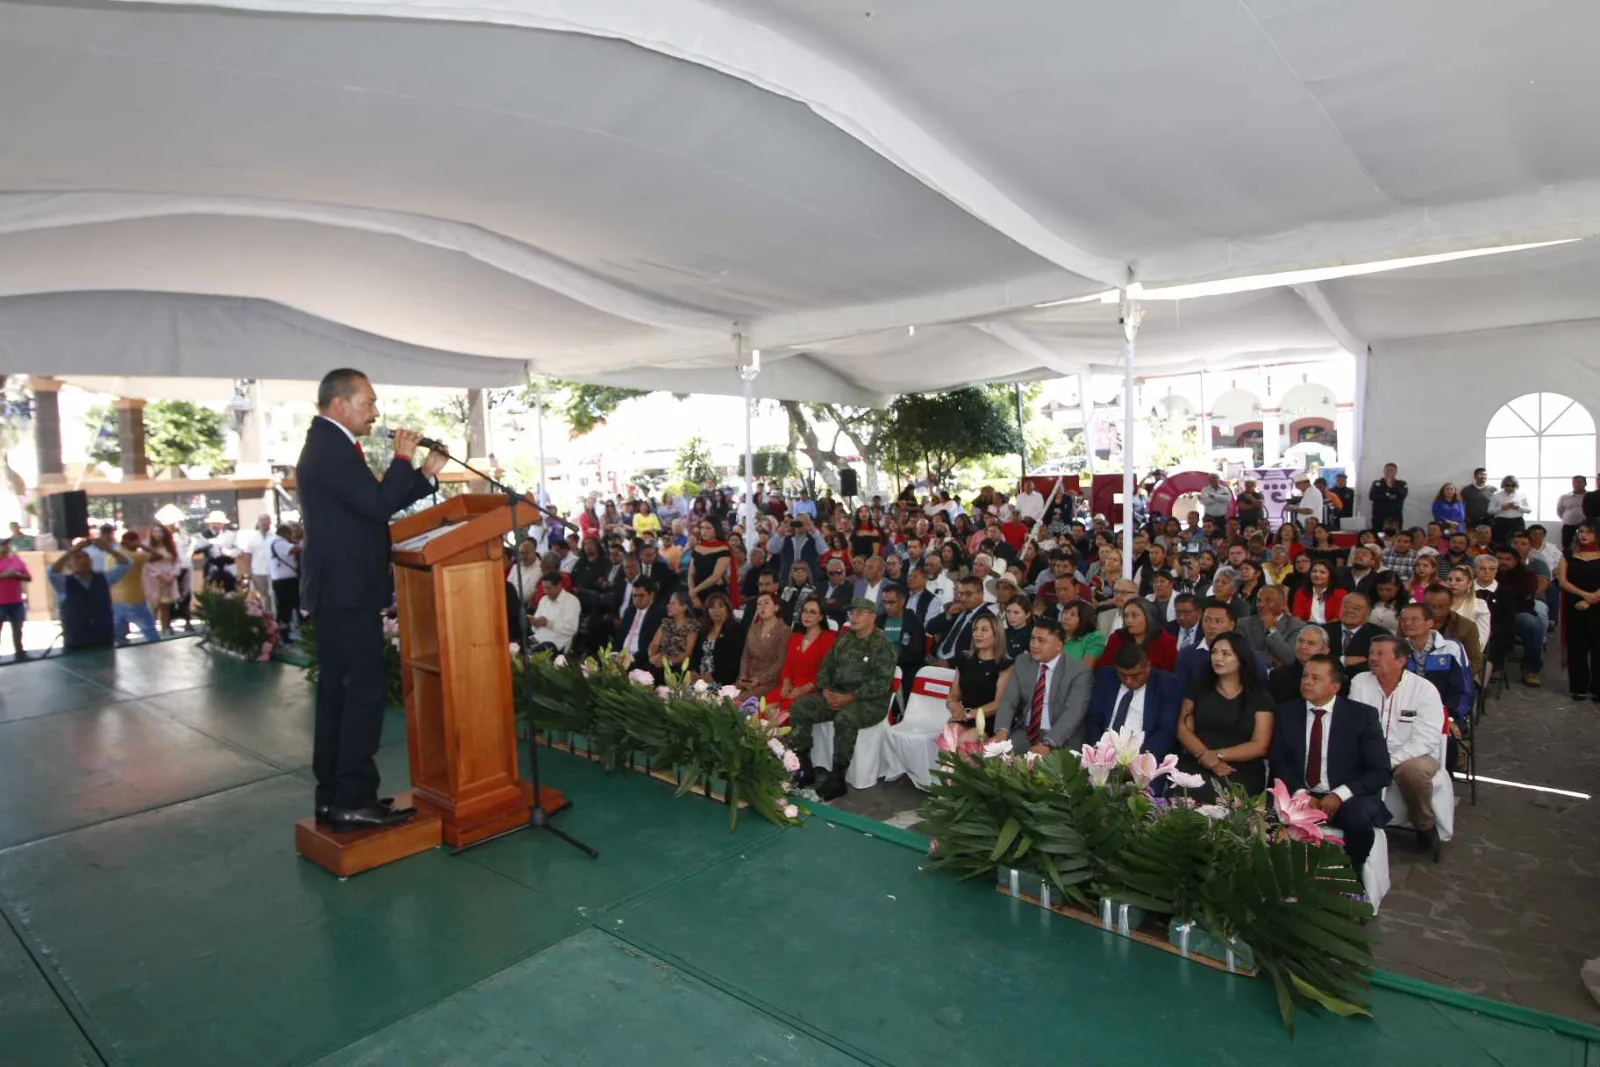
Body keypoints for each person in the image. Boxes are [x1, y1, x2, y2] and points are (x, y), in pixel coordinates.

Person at [297, 369, 445, 830]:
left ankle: (334, 795)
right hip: (346, 591)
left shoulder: (328, 445)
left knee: (339, 694)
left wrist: (420, 474)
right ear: (339, 403)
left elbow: (366, 504)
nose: (376, 413)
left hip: (340, 591)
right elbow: (377, 506)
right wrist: (403, 459)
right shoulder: (331, 447)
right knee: (360, 693)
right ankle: (354, 798)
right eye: (369, 403)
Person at [1270, 655, 1392, 872]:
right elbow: (1279, 762)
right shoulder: (1287, 712)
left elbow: (1381, 771)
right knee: (1264, 816)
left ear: (1335, 686)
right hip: (1300, 792)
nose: (1306, 682)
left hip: (1347, 795)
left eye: (1315, 678)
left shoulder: (1361, 716)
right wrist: (1300, 794)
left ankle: (1353, 876)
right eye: (1305, 675)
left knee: (1358, 820)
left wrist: (1339, 795)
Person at [787, 598, 898, 800]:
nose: (853, 617)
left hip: (869, 702)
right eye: (851, 613)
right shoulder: (844, 638)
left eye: (859, 613)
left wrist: (850, 697)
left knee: (845, 719)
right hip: (836, 695)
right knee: (800, 707)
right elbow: (826, 667)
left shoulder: (882, 645)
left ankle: (838, 777)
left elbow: (881, 684)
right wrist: (826, 689)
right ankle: (804, 766)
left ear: (872, 617)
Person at [1350, 635, 1447, 855]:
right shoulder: (1360, 682)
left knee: (1412, 772)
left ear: (1401, 660)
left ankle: (1425, 824)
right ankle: (1360, 823)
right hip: (1370, 751)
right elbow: (1355, 726)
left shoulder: (1424, 689)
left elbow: (1426, 738)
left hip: (1415, 754)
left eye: (1380, 654)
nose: (1373, 658)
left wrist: (1389, 760)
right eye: (1371, 653)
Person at [1175, 632, 1275, 801]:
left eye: (1225, 654)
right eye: (1214, 652)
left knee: (1224, 796)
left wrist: (1217, 756)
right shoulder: (1199, 688)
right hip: (1198, 759)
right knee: (1187, 792)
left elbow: (1260, 745)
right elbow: (1183, 729)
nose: (1217, 658)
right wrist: (1205, 756)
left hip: (1240, 767)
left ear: (1241, 659)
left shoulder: (1260, 697)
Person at [992, 616, 1093, 756]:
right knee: (996, 756)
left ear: (1058, 645)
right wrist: (1002, 732)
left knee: (1041, 768)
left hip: (1060, 737)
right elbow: (1009, 699)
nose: (1034, 645)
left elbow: (1073, 713)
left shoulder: (1078, 671)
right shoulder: (1023, 662)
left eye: (1041, 641)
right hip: (1026, 732)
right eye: (1032, 638)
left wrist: (1048, 742)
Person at [1087, 642, 1183, 759]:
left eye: (1135, 676)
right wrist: (1099, 752)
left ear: (1148, 666)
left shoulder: (1167, 684)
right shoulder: (1105, 677)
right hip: (1104, 755)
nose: (1128, 681)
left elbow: (1165, 732)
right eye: (1122, 675)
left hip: (1143, 757)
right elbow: (1094, 721)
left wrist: (1139, 761)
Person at [48, 541, 129, 652]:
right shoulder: (63, 583)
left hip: (103, 639)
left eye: (86, 557)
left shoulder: (103, 578)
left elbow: (125, 565)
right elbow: (52, 572)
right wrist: (71, 552)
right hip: (76, 641)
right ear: (69, 564)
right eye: (77, 558)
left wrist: (110, 550)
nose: (83, 561)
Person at [767, 596, 835, 722]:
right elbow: (787, 665)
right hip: (789, 687)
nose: (807, 615)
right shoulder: (795, 637)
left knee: (779, 715)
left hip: (811, 691)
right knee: (762, 707)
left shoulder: (827, 638)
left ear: (820, 617)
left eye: (812, 612)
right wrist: (786, 683)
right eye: (805, 611)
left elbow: (828, 671)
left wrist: (805, 688)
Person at [945, 612, 1010, 736]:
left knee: (965, 741)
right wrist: (954, 706)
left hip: (988, 721)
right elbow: (953, 695)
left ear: (997, 635)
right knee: (948, 735)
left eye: (984, 630)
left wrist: (969, 714)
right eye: (975, 629)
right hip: (965, 717)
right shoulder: (964, 659)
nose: (978, 634)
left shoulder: (1004, 664)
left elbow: (998, 704)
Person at [1487, 546, 1545, 686]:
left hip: (1517, 613)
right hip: (1489, 613)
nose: (1503, 562)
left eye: (1508, 559)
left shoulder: (1527, 575)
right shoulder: (1487, 571)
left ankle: (1530, 669)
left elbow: (1522, 593)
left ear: (1516, 561)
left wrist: (1498, 592)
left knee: (1532, 624)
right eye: (1499, 558)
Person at [1556, 521, 1600, 700]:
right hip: (1574, 605)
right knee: (1577, 647)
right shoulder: (1568, 554)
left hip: (1598, 604)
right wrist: (1584, 595)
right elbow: (1563, 581)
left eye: (1588, 532)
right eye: (1581, 531)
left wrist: (1592, 598)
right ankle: (1579, 687)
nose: (1584, 535)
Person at [1096, 597, 1178, 672]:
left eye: (1134, 615)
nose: (1128, 620)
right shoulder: (1116, 638)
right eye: (1126, 616)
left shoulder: (1167, 642)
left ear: (1148, 617)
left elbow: (1167, 677)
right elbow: (1103, 670)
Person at [735, 590, 789, 702]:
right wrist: (743, 676)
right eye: (759, 604)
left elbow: (781, 662)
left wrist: (759, 679)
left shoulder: (784, 630)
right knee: (723, 697)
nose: (762, 607)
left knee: (738, 701)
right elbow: (746, 656)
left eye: (766, 603)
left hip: (768, 682)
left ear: (776, 608)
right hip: (747, 679)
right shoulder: (753, 628)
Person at [1235, 585, 1305, 669]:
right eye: (1259, 600)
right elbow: (1239, 655)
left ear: (1282, 604)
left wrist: (1272, 629)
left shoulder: (1297, 626)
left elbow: (1289, 658)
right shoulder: (1243, 624)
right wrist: (1271, 661)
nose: (1261, 604)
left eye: (1268, 600)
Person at [110, 531, 159, 645]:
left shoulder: (111, 555)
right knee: (149, 629)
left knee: (118, 633)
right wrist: (141, 546)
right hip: (133, 598)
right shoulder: (136, 556)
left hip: (115, 599)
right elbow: (158, 556)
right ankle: (156, 649)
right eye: (137, 542)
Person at [689, 591, 745, 690]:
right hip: (699, 680)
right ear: (707, 610)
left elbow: (734, 661)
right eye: (712, 607)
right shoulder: (703, 631)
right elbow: (695, 655)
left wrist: (714, 677)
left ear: (727, 609)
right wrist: (693, 670)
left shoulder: (735, 630)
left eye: (720, 606)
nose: (716, 610)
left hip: (721, 682)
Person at [927, 575, 986, 665]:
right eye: (960, 594)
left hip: (959, 667)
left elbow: (978, 650)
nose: (963, 598)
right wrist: (948, 614)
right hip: (935, 659)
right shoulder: (956, 608)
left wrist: (949, 663)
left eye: (968, 594)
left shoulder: (986, 616)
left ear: (981, 594)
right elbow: (930, 628)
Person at [878, 583, 927, 683]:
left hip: (903, 667)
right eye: (884, 602)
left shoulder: (913, 622)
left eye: (891, 602)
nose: (887, 606)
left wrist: (890, 660)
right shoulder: (879, 620)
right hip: (878, 664)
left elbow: (915, 653)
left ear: (902, 601)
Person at [614, 576, 665, 671]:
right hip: (622, 655)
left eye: (641, 596)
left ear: (651, 595)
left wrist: (630, 659)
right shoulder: (629, 611)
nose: (637, 599)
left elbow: (651, 646)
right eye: (634, 596)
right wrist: (615, 653)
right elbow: (620, 636)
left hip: (639, 659)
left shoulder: (658, 615)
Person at [528, 571, 581, 653]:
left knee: (530, 654)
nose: (545, 591)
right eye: (543, 588)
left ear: (559, 585)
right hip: (538, 638)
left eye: (549, 588)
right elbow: (534, 629)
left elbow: (571, 629)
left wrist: (547, 623)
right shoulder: (544, 599)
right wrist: (535, 623)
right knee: (515, 647)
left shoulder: (572, 601)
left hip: (555, 643)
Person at [687, 518, 733, 612]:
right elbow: (691, 573)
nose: (704, 531)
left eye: (708, 528)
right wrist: (693, 593)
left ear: (716, 530)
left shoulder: (723, 549)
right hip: (695, 592)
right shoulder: (698, 547)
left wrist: (694, 591)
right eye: (702, 528)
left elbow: (715, 576)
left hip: (714, 593)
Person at [267, 522, 302, 639]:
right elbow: (296, 550)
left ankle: (284, 634)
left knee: (286, 608)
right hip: (285, 582)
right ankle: (283, 635)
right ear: (285, 533)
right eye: (291, 533)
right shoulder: (280, 543)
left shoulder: (274, 541)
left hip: (283, 580)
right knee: (287, 608)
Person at [0, 538, 31, 659]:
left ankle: (20, 651)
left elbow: (28, 577)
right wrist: (3, 575)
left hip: (16, 601)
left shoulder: (16, 561)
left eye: (6, 545)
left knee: (18, 628)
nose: (5, 547)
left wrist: (17, 575)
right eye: (2, 545)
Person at [1488, 475, 1530, 546]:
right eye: (1507, 485)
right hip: (1501, 522)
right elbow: (1489, 511)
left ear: (1516, 485)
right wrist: (1502, 508)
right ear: (1503, 485)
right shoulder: (1496, 495)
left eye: (1513, 485)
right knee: (1500, 543)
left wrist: (1519, 508)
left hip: (1517, 522)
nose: (1510, 487)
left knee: (1518, 543)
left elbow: (1529, 510)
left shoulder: (1521, 495)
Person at [1369, 464, 1409, 531]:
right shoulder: (1377, 483)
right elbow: (1372, 496)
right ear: (1384, 471)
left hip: (1395, 516)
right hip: (1379, 517)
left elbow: (1403, 494)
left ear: (1396, 472)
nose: (1389, 472)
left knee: (1395, 536)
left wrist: (1391, 486)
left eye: (1392, 470)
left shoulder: (1401, 483)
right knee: (1378, 535)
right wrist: (1387, 496)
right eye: (1387, 470)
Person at [1557, 476, 1588, 550]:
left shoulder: (1590, 496)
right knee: (1567, 546)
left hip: (1585, 526)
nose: (1577, 484)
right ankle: (1567, 561)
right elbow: (1559, 510)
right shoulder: (1564, 497)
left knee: (1584, 546)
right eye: (1575, 482)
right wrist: (1567, 519)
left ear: (1585, 484)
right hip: (1568, 526)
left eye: (1580, 482)